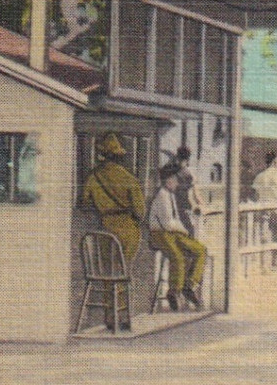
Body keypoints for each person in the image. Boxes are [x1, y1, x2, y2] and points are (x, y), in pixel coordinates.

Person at [80, 133, 147, 265]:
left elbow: (84, 204)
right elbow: (140, 212)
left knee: (106, 268)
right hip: (128, 230)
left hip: (104, 228)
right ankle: (120, 285)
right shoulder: (130, 179)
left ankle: (108, 285)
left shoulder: (93, 177)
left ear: (102, 156)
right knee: (123, 269)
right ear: (119, 156)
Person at [148, 164, 206, 311]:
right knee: (178, 257)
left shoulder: (170, 195)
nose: (177, 183)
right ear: (167, 180)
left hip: (174, 233)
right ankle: (174, 291)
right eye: (175, 179)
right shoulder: (161, 196)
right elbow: (167, 224)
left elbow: (175, 220)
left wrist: (183, 230)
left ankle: (190, 285)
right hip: (159, 234)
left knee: (200, 250)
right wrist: (183, 230)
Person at [252, 150, 277, 266]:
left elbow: (256, 195)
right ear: (274, 161)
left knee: (264, 236)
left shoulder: (260, 176)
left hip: (263, 207)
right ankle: (275, 263)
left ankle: (263, 263)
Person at [171, 145, 206, 240]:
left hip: (173, 208)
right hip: (185, 208)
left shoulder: (173, 173)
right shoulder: (189, 174)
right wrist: (203, 206)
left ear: (177, 157)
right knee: (190, 233)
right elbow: (197, 195)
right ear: (188, 159)